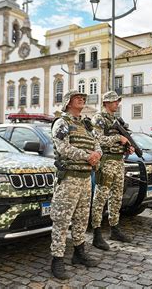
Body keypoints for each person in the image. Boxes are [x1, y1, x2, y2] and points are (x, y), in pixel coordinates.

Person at [50, 90, 102, 279]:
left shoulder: (87, 125)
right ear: (67, 102)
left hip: (85, 178)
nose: (82, 99)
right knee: (62, 220)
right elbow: (63, 148)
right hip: (69, 178)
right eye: (77, 97)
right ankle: (57, 259)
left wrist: (97, 154)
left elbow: (97, 145)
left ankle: (79, 253)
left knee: (81, 218)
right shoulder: (62, 123)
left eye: (83, 98)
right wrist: (87, 156)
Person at [91, 91, 134, 251]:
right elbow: (98, 140)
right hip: (106, 161)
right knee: (100, 197)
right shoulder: (99, 119)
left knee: (116, 197)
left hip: (118, 161)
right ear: (106, 103)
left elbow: (122, 140)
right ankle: (96, 232)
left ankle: (114, 228)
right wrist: (118, 138)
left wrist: (127, 147)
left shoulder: (117, 120)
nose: (117, 104)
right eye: (114, 101)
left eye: (117, 101)